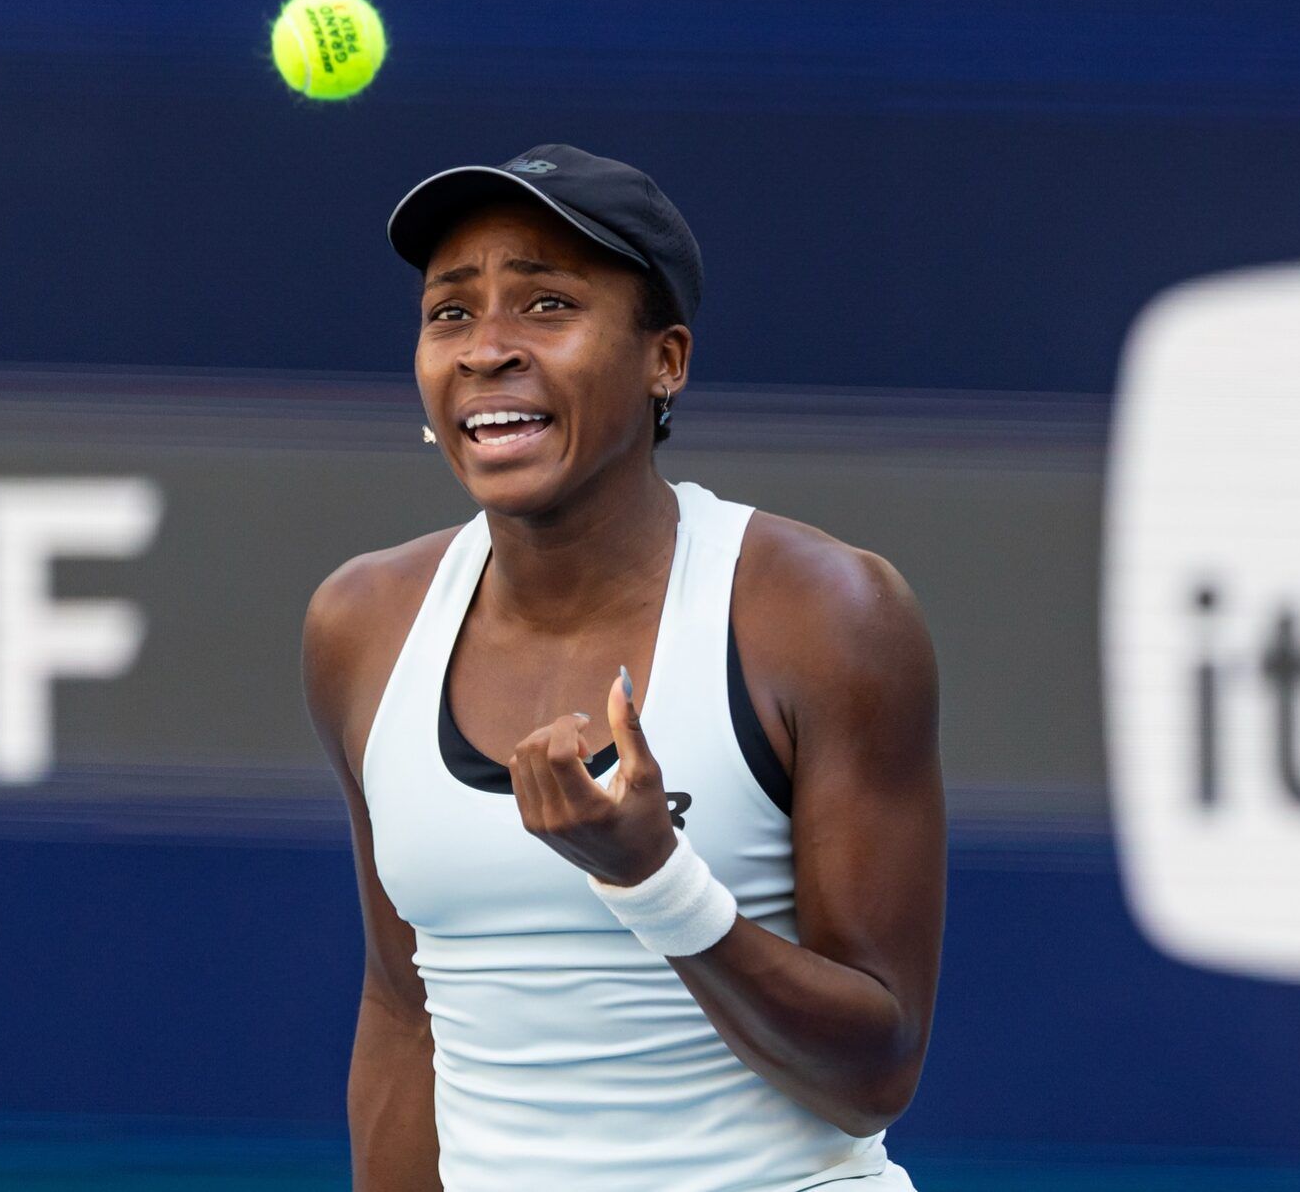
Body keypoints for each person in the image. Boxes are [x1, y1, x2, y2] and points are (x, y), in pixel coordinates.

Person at [302, 144, 944, 1191]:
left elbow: (873, 1074)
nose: (485, 350)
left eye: (548, 306)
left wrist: (654, 878)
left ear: (666, 360)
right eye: (450, 313)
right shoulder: (360, 623)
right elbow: (406, 1006)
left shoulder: (825, 614)